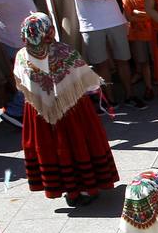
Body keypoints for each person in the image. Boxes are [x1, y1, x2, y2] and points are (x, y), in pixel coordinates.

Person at [13, 12, 118, 206]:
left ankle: (65, 188)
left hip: (39, 113)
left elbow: (20, 83)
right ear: (49, 31)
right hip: (72, 110)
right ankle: (83, 188)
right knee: (77, 144)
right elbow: (89, 84)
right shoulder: (64, 52)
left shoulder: (21, 56)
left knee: (52, 148)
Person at [120, 0, 155, 102]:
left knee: (155, 61)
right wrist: (145, 14)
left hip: (152, 32)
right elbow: (129, 17)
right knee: (143, 62)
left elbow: (155, 13)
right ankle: (148, 87)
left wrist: (138, 13)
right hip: (138, 35)